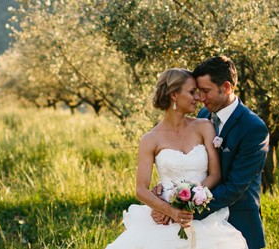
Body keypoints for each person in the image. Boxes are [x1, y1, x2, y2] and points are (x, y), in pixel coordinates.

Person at [107, 68, 247, 249]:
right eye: (192, 92)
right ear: (174, 95)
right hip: (164, 219)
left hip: (202, 216)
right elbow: (141, 189)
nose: (198, 98)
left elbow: (215, 175)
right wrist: (169, 211)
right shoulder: (150, 139)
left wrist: (190, 202)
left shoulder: (204, 127)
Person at [152, 56, 269, 248]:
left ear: (226, 87)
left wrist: (179, 210)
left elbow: (234, 187)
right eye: (197, 92)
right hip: (198, 223)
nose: (200, 98)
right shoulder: (204, 115)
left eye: (206, 91)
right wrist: (168, 189)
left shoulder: (253, 128)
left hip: (237, 221)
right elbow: (193, 163)